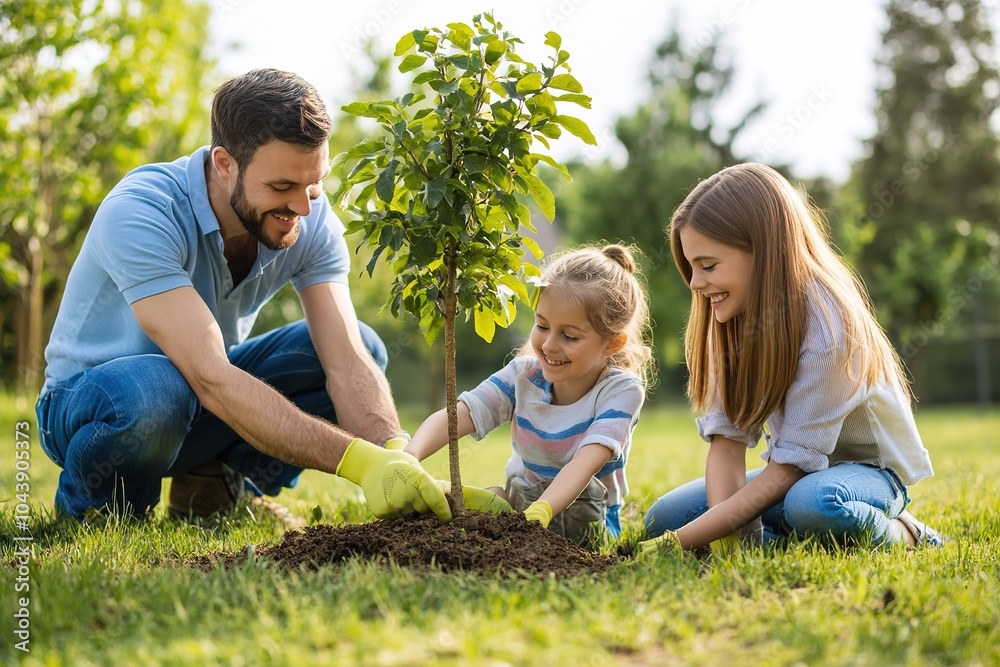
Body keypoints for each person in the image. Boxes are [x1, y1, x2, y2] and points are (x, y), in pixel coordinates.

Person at [35, 69, 451, 527]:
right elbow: (211, 375)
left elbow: (347, 362)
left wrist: (395, 455)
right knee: (157, 388)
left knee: (364, 347)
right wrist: (360, 463)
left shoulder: (309, 218)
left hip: (196, 401)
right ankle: (97, 510)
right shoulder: (142, 211)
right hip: (94, 404)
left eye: (314, 184)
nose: (302, 208)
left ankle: (216, 483)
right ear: (224, 163)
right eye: (281, 188)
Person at [640, 163, 942, 555]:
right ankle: (798, 537)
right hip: (798, 478)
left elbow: (786, 472)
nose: (695, 284)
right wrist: (734, 546)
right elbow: (727, 445)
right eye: (691, 266)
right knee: (664, 517)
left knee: (813, 505)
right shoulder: (731, 320)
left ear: (763, 250)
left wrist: (676, 544)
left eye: (708, 266)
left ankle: (907, 532)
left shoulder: (831, 328)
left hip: (868, 476)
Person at [404, 245, 654, 544]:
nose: (549, 344)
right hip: (522, 500)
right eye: (542, 325)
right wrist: (409, 456)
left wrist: (544, 510)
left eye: (570, 336)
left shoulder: (620, 391)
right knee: (491, 500)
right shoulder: (522, 375)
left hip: (585, 516)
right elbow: (465, 412)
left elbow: (587, 461)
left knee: (572, 534)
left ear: (613, 343)